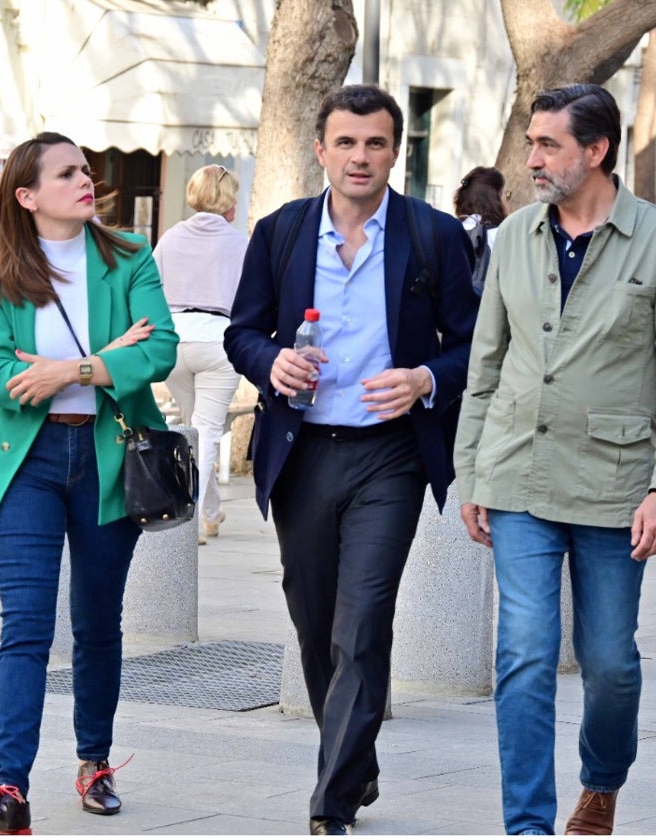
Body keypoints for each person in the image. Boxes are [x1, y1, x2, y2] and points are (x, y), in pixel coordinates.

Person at [454, 84, 656, 836]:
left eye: (547, 145)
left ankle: (601, 782)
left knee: (610, 665)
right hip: (517, 478)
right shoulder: (514, 239)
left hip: (613, 487)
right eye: (532, 143)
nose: (531, 159)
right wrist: (471, 471)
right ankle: (528, 825)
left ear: (595, 152)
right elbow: (486, 364)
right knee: (526, 655)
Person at [224, 84, 479, 835]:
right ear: (321, 149)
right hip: (302, 452)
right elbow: (241, 332)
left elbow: (472, 345)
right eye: (346, 142)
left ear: (395, 150)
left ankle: (330, 802)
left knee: (362, 622)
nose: (360, 157)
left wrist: (426, 378)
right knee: (313, 622)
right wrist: (271, 363)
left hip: (391, 457)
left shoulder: (433, 236)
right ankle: (356, 761)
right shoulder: (280, 232)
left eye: (375, 143)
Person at [0, 132, 178, 834]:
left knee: (96, 624)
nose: (86, 180)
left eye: (85, 169)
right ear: (28, 196)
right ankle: (8, 786)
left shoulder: (127, 256)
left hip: (108, 457)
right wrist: (105, 357)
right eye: (66, 174)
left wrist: (68, 371)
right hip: (27, 464)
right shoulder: (6, 272)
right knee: (24, 627)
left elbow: (160, 350)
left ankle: (94, 761)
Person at [153, 164, 249, 545]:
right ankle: (189, 518)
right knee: (206, 432)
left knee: (195, 428)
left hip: (174, 342)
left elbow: (151, 290)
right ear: (227, 199)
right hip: (219, 341)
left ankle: (210, 512)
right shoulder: (240, 243)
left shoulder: (170, 238)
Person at [454, 166, 509, 295]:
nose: (507, 201)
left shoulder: (452, 228)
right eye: (506, 194)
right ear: (495, 198)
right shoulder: (500, 234)